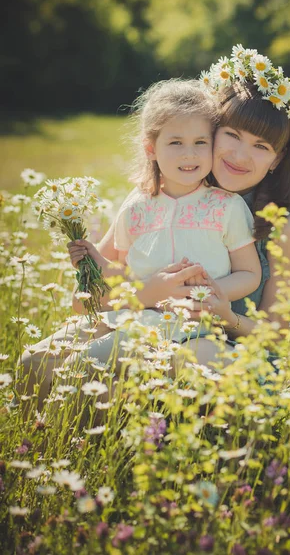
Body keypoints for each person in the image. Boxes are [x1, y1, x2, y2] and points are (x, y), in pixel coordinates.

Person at [17, 78, 262, 410]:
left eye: (200, 142)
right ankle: (37, 442)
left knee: (77, 369)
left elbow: (249, 273)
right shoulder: (137, 207)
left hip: (188, 326)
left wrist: (210, 292)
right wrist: (93, 264)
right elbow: (118, 274)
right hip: (131, 315)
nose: (189, 154)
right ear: (151, 148)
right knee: (29, 363)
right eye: (175, 142)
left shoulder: (225, 206)